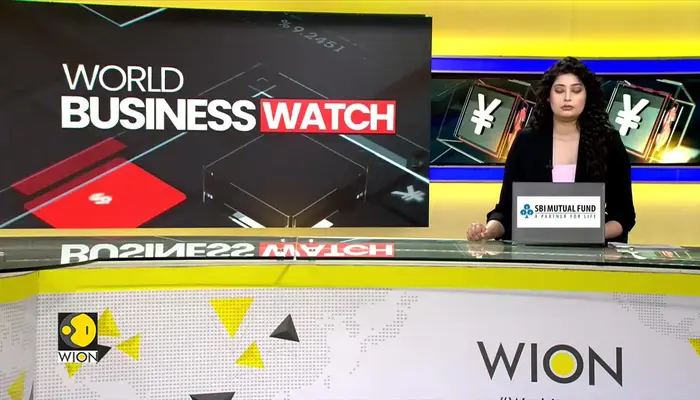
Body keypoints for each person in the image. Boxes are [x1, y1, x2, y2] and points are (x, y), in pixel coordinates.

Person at [467, 57, 636, 243]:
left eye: (576, 90)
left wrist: (586, 235)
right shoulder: (526, 141)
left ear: (587, 96)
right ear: (548, 96)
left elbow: (623, 216)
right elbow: (505, 211)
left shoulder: (608, 141)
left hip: (592, 253)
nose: (567, 97)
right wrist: (487, 231)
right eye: (559, 90)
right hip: (534, 251)